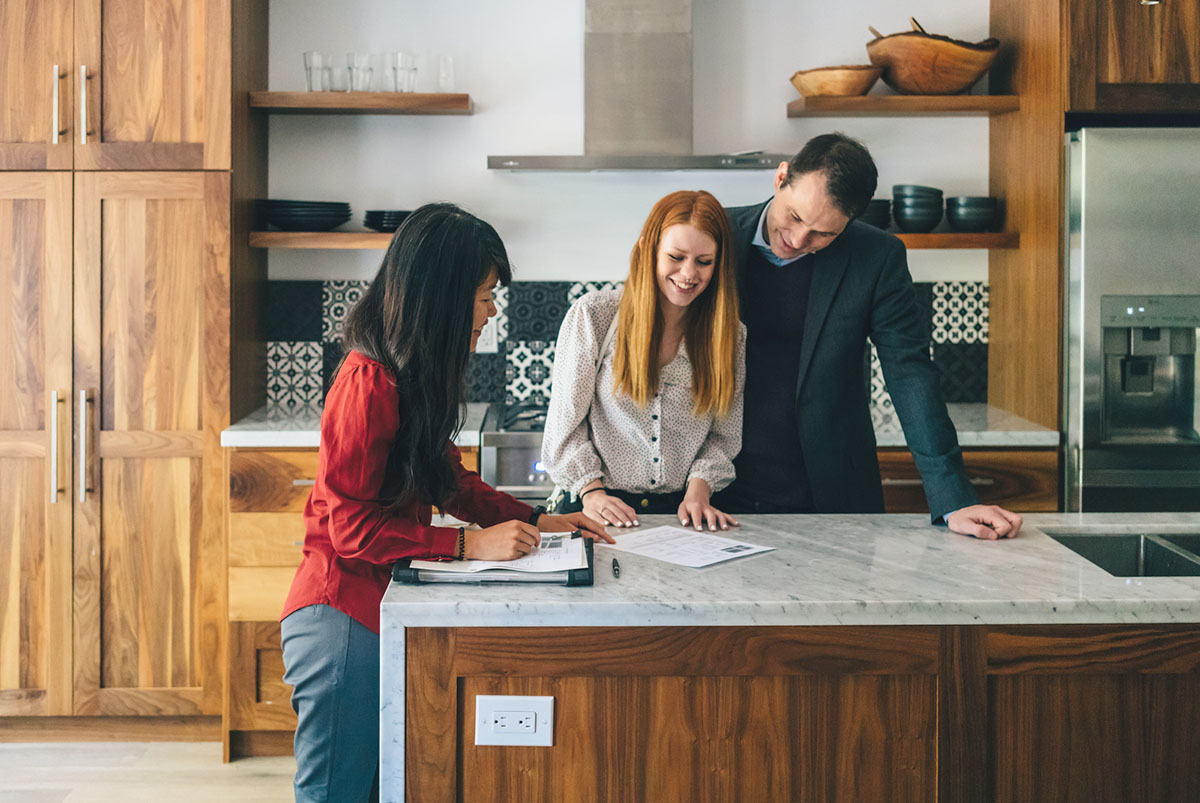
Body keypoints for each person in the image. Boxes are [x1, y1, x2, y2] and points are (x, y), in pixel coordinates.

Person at [279, 203, 612, 803]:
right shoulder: (367, 383)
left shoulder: (412, 374)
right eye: (485, 295)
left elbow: (449, 482)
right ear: (444, 294)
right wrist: (465, 544)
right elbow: (350, 528)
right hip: (340, 613)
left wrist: (538, 518)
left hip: (380, 602)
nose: (491, 310)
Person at [710, 133, 1023, 540]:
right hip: (712, 491)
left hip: (830, 494)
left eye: (825, 234)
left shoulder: (876, 258)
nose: (800, 241)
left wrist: (954, 498)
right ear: (781, 178)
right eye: (796, 217)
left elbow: (909, 372)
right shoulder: (713, 236)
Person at [542, 190, 746, 532]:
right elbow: (564, 427)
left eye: (704, 261)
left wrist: (700, 490)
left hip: (683, 514)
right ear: (646, 250)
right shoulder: (595, 315)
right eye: (676, 257)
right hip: (593, 507)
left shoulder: (730, 335)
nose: (688, 273)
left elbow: (724, 436)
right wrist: (592, 491)